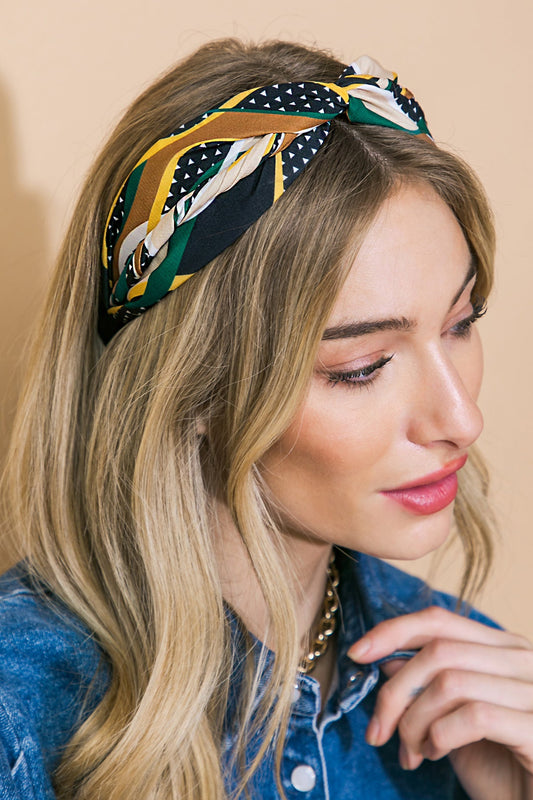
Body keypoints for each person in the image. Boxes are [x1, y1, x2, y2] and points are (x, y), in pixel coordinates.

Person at [0, 36, 532, 800]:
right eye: (362, 367)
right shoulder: (22, 719)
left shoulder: (471, 697)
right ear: (192, 392)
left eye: (460, 321)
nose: (460, 418)